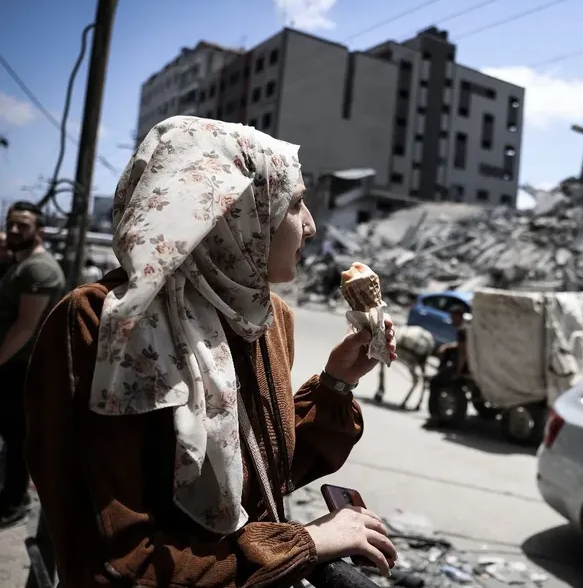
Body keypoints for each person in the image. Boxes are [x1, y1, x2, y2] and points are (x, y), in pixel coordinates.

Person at [24, 117, 399, 587]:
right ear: (230, 211)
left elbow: (260, 478)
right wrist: (303, 544)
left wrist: (337, 383)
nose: (312, 226)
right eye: (296, 203)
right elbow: (115, 563)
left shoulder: (265, 317)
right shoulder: (103, 322)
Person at [0, 200, 65, 527]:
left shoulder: (39, 269)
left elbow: (26, 326)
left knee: (16, 438)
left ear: (38, 231)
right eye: (11, 223)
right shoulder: (20, 263)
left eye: (22, 225)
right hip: (10, 365)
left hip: (18, 367)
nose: (13, 230)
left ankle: (14, 501)